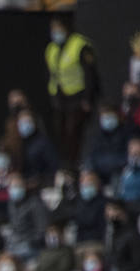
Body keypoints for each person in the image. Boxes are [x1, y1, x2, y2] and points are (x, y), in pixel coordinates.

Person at [45, 15, 99, 168]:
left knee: (74, 133)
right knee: (61, 134)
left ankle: (76, 165)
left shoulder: (79, 45)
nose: (56, 32)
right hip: (60, 98)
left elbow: (90, 74)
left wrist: (87, 99)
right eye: (53, 28)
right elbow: (52, 74)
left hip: (78, 96)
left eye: (58, 28)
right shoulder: (52, 49)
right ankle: (65, 166)